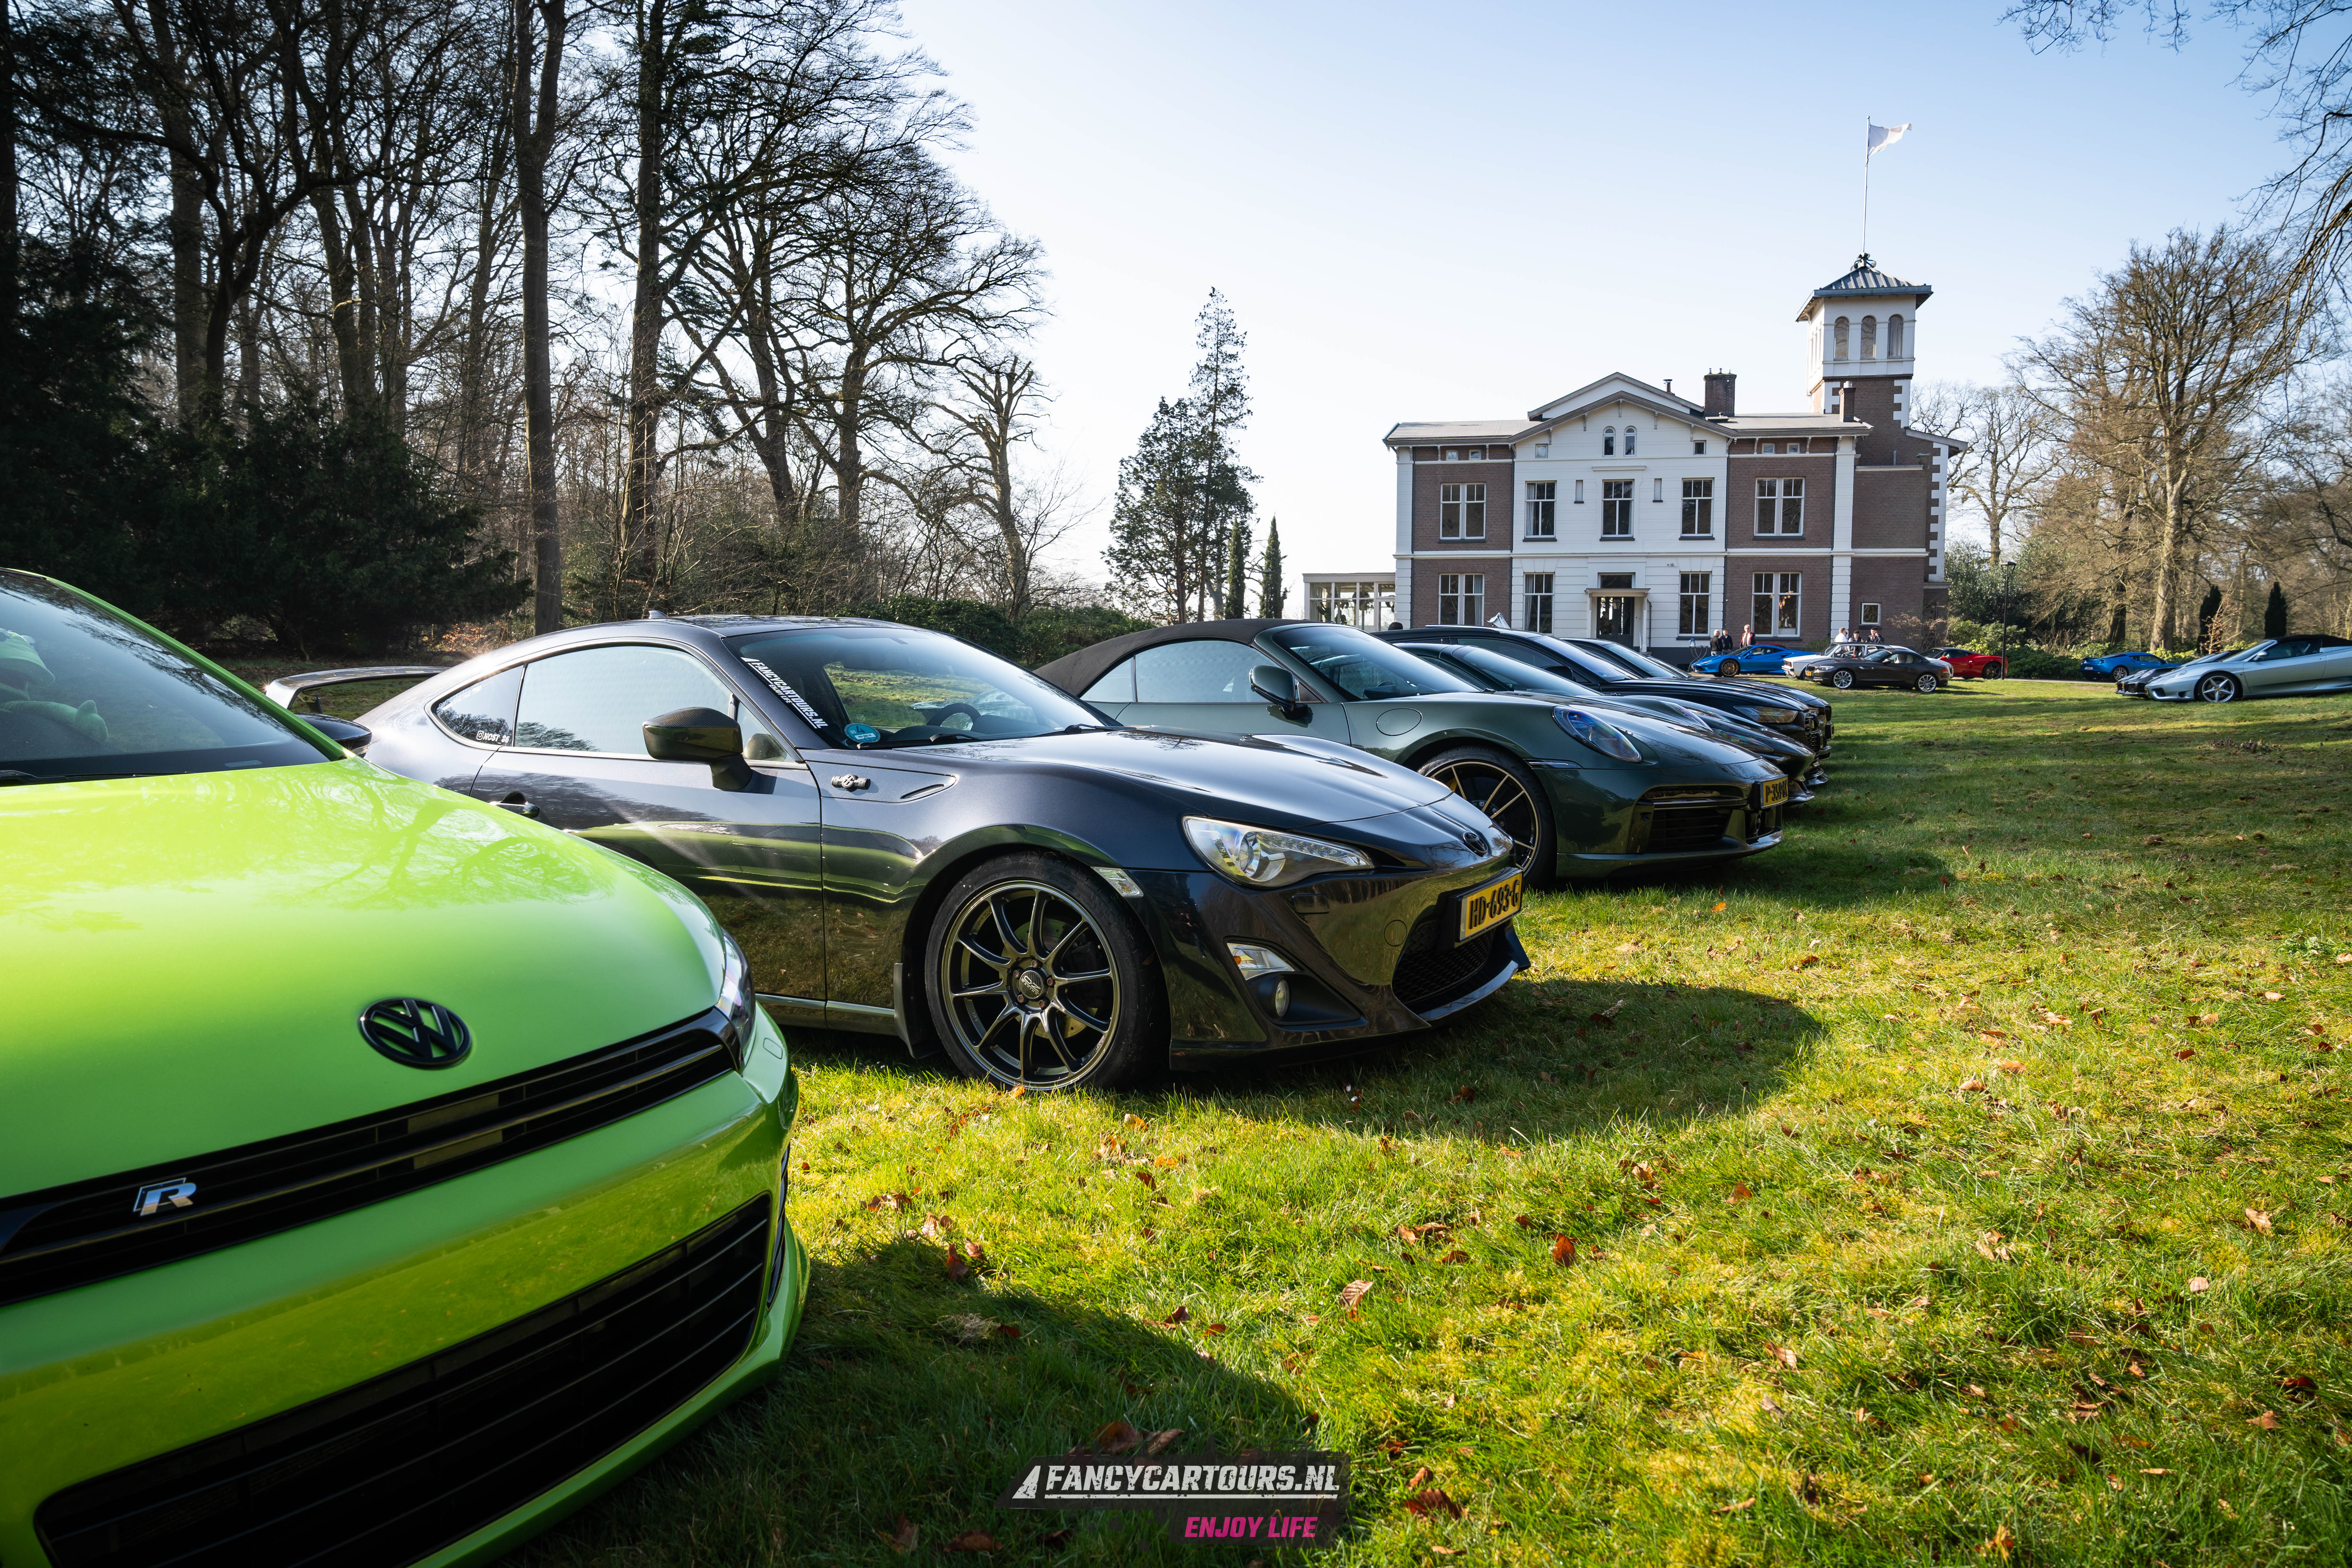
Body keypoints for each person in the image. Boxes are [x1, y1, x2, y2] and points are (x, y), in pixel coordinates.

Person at [0, 628, 109, 753]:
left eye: (19, 676)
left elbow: (49, 709)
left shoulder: (15, 707)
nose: (13, 679)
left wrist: (78, 719)